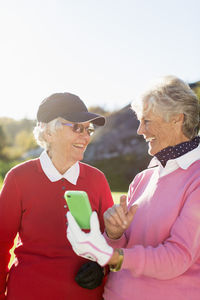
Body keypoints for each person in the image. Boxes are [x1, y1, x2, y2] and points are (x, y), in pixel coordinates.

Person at [66, 75, 200, 300]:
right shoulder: (143, 178)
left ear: (177, 119)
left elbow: (177, 257)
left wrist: (113, 255)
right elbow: (125, 246)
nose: (140, 130)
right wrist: (114, 233)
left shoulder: (196, 178)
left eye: (147, 121)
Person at [0, 92, 114, 300]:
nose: (86, 136)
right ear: (48, 132)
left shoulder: (97, 180)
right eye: (77, 127)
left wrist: (102, 268)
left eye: (88, 129)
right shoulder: (18, 178)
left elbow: (112, 241)